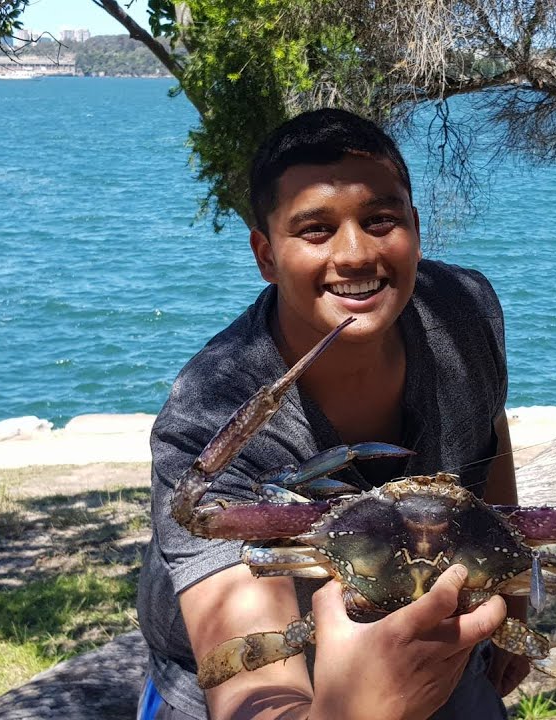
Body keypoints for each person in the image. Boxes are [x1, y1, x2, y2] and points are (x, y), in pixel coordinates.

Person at [137, 108, 530, 720]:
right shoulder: (210, 419)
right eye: (315, 230)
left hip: (441, 656)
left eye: (380, 220)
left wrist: (515, 595)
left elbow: (488, 431)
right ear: (266, 255)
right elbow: (252, 696)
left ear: (416, 227)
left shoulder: (464, 311)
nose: (355, 254)